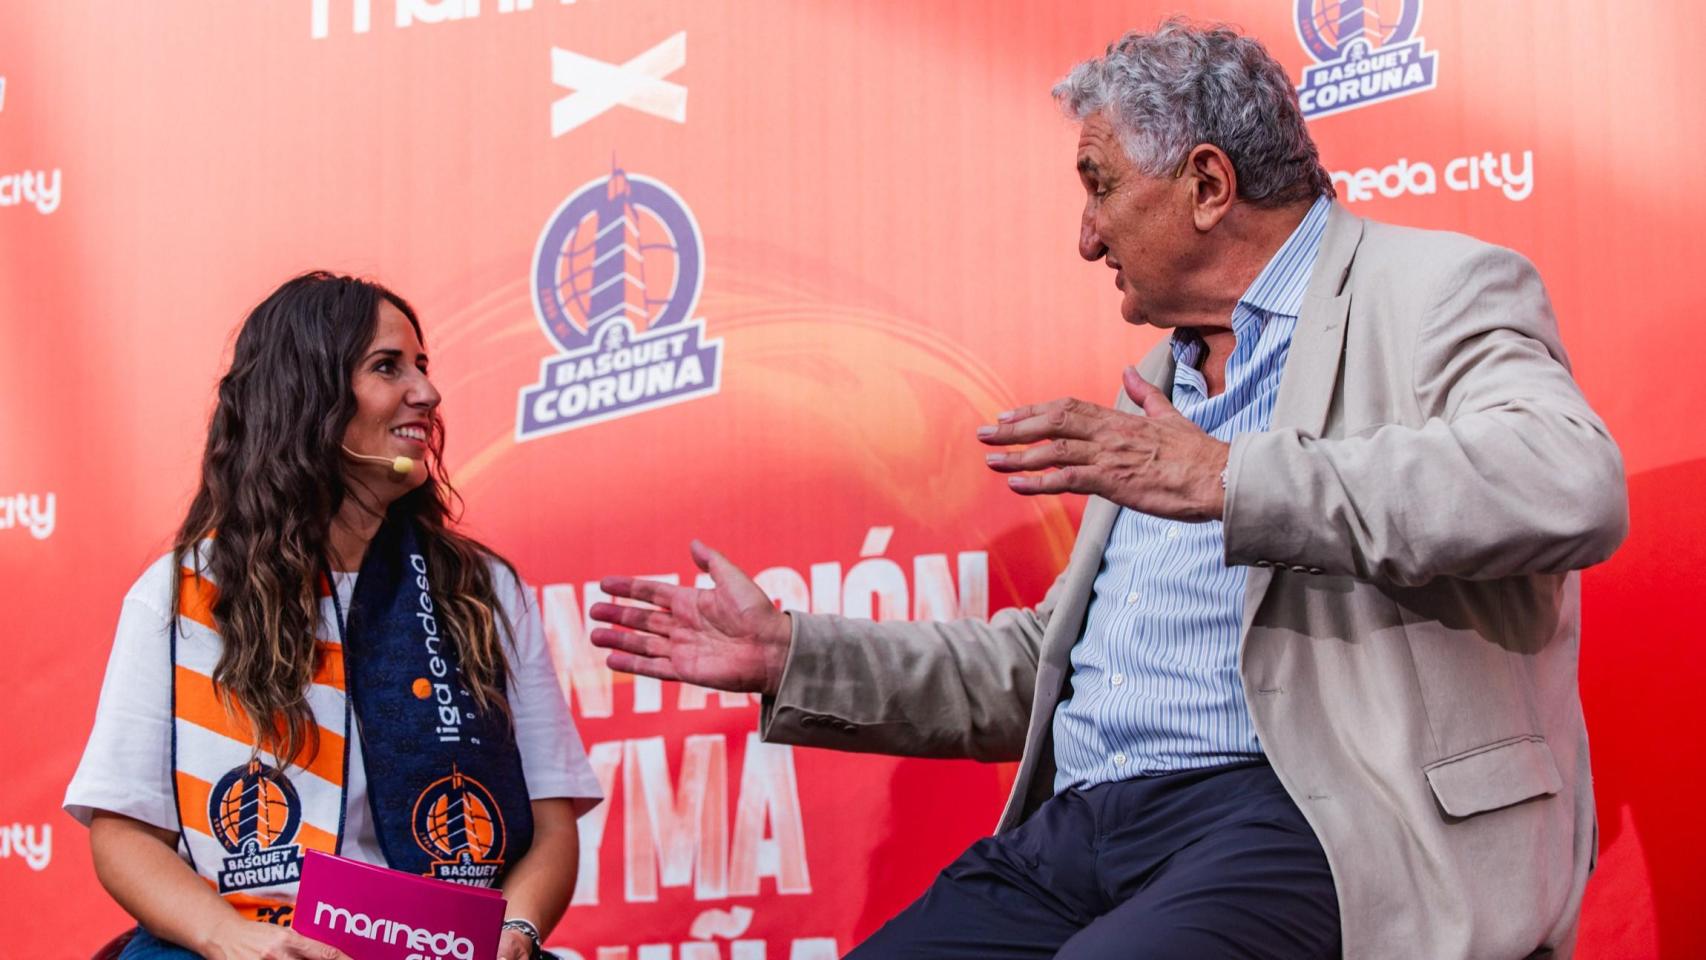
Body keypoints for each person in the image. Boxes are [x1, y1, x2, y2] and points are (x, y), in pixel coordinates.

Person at [587, 19, 1628, 960]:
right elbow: (1046, 669)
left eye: (1099, 185)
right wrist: (792, 656)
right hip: (1085, 828)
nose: (1085, 237)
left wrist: (1226, 477)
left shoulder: (1435, 288)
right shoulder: (1161, 383)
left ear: (1207, 186)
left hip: (1314, 818)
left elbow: (1566, 482)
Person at [65, 273, 603, 960]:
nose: (428, 393)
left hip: (444, 947)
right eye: (387, 367)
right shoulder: (180, 595)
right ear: (307, 395)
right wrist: (234, 940)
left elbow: (551, 825)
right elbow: (124, 832)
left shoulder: (482, 590)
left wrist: (516, 932)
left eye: (423, 366)